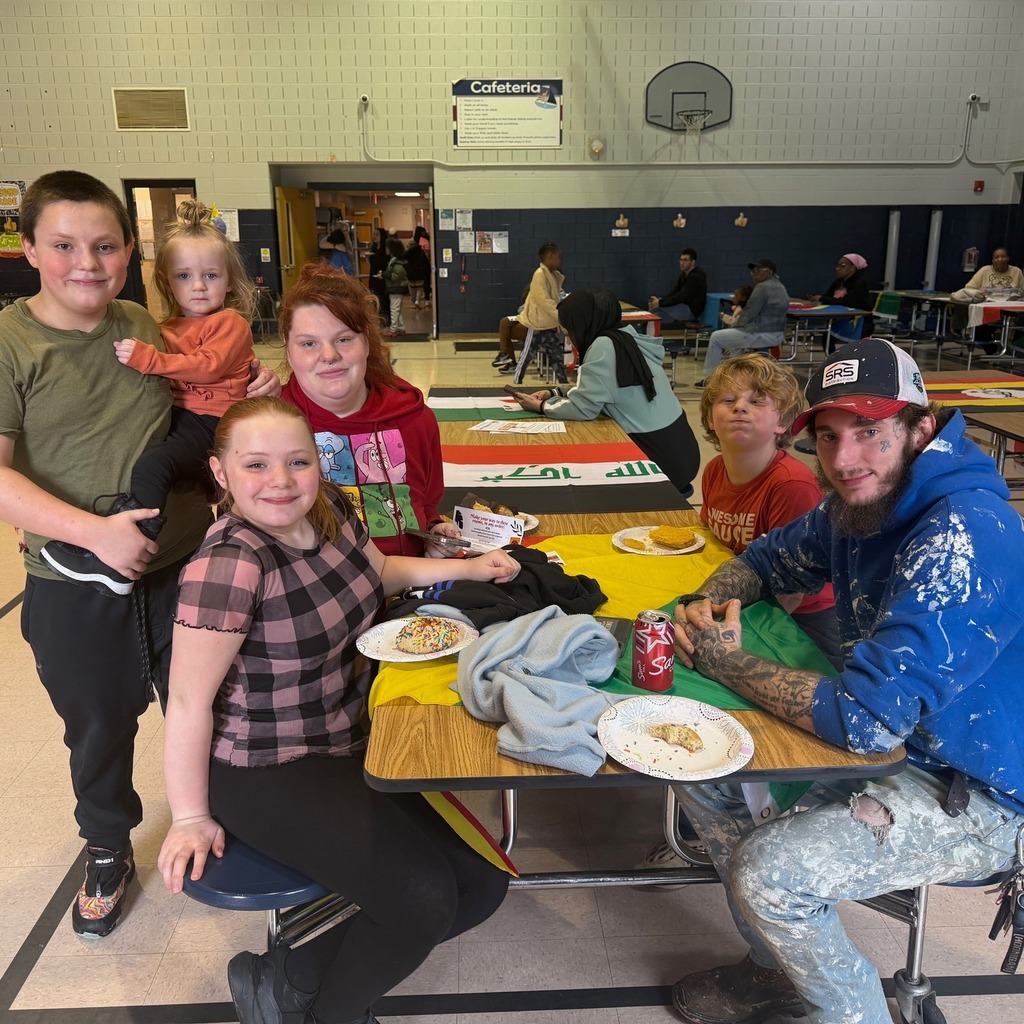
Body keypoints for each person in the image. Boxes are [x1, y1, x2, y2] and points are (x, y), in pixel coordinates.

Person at [668, 338, 1024, 1024]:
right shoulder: (861, 503)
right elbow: (771, 558)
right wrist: (710, 602)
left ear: (921, 428)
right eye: (828, 438)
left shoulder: (962, 534)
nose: (843, 460)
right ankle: (775, 965)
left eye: (869, 433)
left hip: (979, 790)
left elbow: (865, 719)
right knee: (703, 765)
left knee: (771, 873)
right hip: (900, 743)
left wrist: (721, 659)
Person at [156, 396, 518, 1024]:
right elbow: (187, 701)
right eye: (256, 465)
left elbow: (377, 572)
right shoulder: (230, 565)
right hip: (264, 763)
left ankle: (288, 980)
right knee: (422, 897)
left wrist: (467, 568)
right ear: (220, 473)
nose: (280, 481)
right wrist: (188, 815)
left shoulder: (331, 510)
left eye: (297, 462)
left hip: (348, 736)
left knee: (483, 884)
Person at [0, 170, 277, 939]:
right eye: (64, 245)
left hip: (185, 563)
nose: (86, 262)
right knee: (96, 722)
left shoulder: (145, 324)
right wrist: (91, 533)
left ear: (128, 252)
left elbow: (211, 383)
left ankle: (225, 818)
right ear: (28, 249)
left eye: (104, 245)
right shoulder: (10, 342)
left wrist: (257, 381)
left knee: (216, 706)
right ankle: (106, 843)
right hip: (75, 573)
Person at [39, 198, 258, 597]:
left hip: (213, 423)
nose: (197, 286)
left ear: (229, 281)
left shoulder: (230, 321)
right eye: (184, 276)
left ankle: (126, 553)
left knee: (153, 466)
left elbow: (207, 366)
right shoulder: (162, 325)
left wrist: (150, 359)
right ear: (165, 281)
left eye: (211, 275)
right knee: (141, 459)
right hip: (182, 419)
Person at [280, 262, 461, 557]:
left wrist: (433, 534)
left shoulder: (415, 420)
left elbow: (425, 505)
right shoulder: (271, 427)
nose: (329, 355)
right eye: (309, 343)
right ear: (288, 350)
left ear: (366, 342)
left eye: (343, 339)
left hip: (408, 584)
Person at [509, 286, 700, 497]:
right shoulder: (625, 336)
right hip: (683, 451)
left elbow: (583, 409)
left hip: (658, 459)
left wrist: (541, 406)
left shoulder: (603, 346)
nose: (571, 340)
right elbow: (604, 387)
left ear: (582, 325)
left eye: (568, 332)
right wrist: (556, 392)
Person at [697, 259, 788, 387]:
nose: (752, 274)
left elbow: (748, 314)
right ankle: (738, 375)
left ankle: (711, 379)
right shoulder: (780, 286)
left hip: (762, 333)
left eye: (756, 271)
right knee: (732, 341)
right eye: (752, 271)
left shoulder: (762, 287)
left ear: (767, 272)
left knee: (717, 337)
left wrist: (733, 325)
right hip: (777, 334)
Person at [493, 242, 564, 371]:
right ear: (550, 256)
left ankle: (507, 358)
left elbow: (546, 303)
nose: (560, 260)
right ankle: (506, 357)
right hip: (537, 318)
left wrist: (561, 318)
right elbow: (544, 301)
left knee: (506, 330)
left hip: (541, 323)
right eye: (558, 257)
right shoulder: (541, 275)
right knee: (505, 322)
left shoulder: (547, 275)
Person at [949, 247, 1024, 338]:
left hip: (1007, 310)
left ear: (1008, 258)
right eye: (996, 257)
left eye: (1003, 256)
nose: (1000, 259)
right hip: (985, 309)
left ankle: (1008, 344)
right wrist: (978, 293)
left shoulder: (1017, 272)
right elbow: (969, 288)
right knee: (980, 326)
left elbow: (1022, 292)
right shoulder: (985, 270)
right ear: (992, 260)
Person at [811, 253, 874, 349]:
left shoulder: (860, 283)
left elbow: (849, 302)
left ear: (852, 268)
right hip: (841, 319)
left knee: (854, 347)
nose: (838, 268)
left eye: (842, 266)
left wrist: (823, 298)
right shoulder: (838, 282)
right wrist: (819, 298)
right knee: (826, 338)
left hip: (858, 322)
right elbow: (828, 296)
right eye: (838, 265)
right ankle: (833, 359)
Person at [648, 247, 708, 325]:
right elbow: (674, 291)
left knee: (656, 309)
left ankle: (656, 333)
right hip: (683, 306)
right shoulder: (684, 275)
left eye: (685, 260)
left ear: (693, 262)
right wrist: (660, 300)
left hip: (691, 311)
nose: (682, 263)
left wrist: (660, 303)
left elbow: (681, 296)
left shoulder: (696, 277)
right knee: (655, 307)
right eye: (681, 260)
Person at [381, 237, 408, 337]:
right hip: (397, 288)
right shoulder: (396, 262)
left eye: (387, 247)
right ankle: (401, 327)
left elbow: (396, 276)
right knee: (398, 310)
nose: (386, 249)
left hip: (395, 288)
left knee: (394, 309)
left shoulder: (396, 263)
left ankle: (393, 329)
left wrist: (385, 275)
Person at [366, 227, 390, 329]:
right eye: (374, 234)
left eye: (377, 234)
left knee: (383, 299)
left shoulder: (385, 249)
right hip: (373, 277)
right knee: (375, 299)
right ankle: (379, 320)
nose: (374, 237)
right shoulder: (373, 249)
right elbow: (371, 264)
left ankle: (386, 320)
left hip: (382, 277)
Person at [404, 231, 431, 310]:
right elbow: (425, 261)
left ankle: (413, 302)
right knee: (419, 288)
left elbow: (404, 261)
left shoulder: (407, 253)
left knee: (412, 288)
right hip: (420, 273)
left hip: (410, 274)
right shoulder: (421, 252)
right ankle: (417, 300)